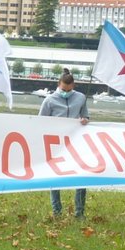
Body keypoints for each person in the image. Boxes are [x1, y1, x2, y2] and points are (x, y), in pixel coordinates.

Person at [39, 69, 90, 219]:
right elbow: (40, 121)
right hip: (56, 144)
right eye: (63, 89)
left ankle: (79, 212)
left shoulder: (81, 98)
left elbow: (85, 115)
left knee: (82, 176)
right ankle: (57, 211)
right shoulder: (49, 100)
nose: (66, 92)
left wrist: (85, 119)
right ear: (58, 85)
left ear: (73, 86)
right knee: (55, 177)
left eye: (69, 90)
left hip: (75, 143)